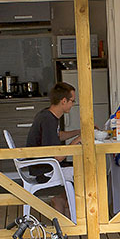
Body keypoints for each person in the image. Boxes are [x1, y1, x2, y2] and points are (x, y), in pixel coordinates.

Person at [25, 82, 79, 214]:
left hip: (41, 165)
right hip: (44, 170)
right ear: (63, 101)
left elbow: (58, 136)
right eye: (72, 101)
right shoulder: (48, 120)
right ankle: (69, 205)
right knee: (84, 171)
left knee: (81, 166)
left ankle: (63, 201)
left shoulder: (48, 115)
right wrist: (78, 141)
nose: (73, 104)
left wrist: (79, 132)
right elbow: (58, 157)